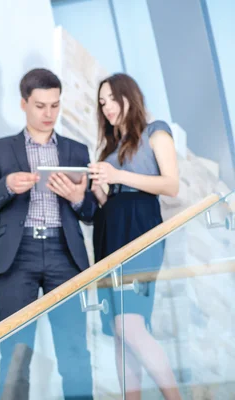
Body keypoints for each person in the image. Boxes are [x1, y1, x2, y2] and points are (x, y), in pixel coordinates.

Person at [0, 68, 96, 400]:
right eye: (41, 106)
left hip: (65, 254)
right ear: (24, 103)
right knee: (15, 352)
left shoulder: (76, 151)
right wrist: (7, 186)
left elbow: (91, 215)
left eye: (55, 106)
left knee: (74, 352)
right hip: (18, 255)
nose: (49, 114)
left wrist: (77, 198)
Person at [89, 73, 181, 400]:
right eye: (102, 103)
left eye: (113, 98)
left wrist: (117, 176)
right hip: (109, 233)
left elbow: (171, 185)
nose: (108, 107)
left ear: (130, 96)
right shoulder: (110, 148)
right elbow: (110, 199)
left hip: (141, 228)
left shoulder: (156, 131)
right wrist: (100, 192)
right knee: (119, 331)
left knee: (130, 324)